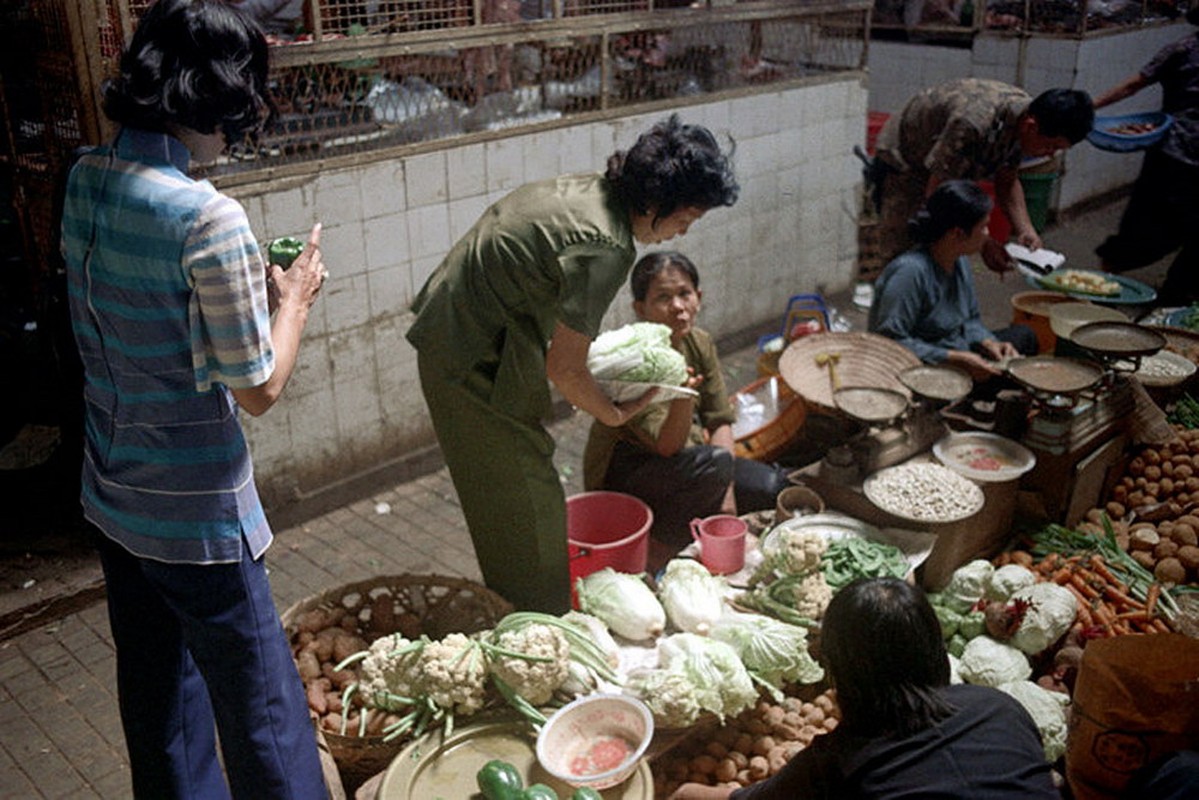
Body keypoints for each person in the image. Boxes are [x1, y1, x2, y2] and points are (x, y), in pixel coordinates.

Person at [59, 1, 327, 796]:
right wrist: (296, 300)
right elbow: (259, 388)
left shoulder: (84, 177)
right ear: (211, 99)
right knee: (264, 713)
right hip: (197, 516)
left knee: (160, 701)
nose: (232, 136)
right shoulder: (208, 217)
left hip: (113, 495)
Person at [407, 115, 738, 614]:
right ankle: (539, 623)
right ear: (660, 201)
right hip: (468, 356)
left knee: (512, 495)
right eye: (684, 220)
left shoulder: (590, 193)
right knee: (527, 505)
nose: (682, 232)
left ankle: (521, 609)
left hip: (467, 336)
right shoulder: (607, 245)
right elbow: (566, 368)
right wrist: (614, 413)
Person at [668, 577, 1059, 799]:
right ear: (936, 652)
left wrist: (678, 792)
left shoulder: (840, 763)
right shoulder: (1000, 708)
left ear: (840, 677)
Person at [582, 252, 789, 560]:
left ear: (698, 297)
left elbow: (718, 419)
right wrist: (682, 396)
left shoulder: (699, 341)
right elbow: (666, 446)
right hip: (629, 470)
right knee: (714, 466)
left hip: (686, 461)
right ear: (641, 309)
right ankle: (662, 547)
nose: (678, 306)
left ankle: (694, 525)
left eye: (684, 294)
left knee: (772, 485)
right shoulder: (634, 361)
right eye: (663, 298)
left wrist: (728, 498)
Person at [873, 79, 1094, 278]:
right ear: (1030, 126)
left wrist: (1026, 229)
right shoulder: (972, 123)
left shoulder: (1026, 119)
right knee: (906, 249)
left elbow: (1007, 181)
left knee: (952, 246)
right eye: (1051, 146)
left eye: (1058, 150)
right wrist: (984, 243)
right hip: (906, 158)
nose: (1049, 154)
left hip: (944, 165)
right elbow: (940, 196)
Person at [869, 180, 1038, 382]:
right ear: (958, 234)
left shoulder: (960, 261)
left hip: (958, 349)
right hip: (923, 368)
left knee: (1025, 337)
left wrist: (989, 342)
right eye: (983, 227)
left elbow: (970, 320)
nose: (987, 234)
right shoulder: (910, 273)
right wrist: (951, 358)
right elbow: (889, 341)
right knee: (1015, 381)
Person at [1092, 6, 1199, 307]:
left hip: (1177, 156)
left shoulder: (1181, 48)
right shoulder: (1182, 50)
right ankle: (1104, 286)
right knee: (1147, 226)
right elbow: (1133, 84)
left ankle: (1173, 300)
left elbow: (1133, 84)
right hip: (1173, 156)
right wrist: (1091, 107)